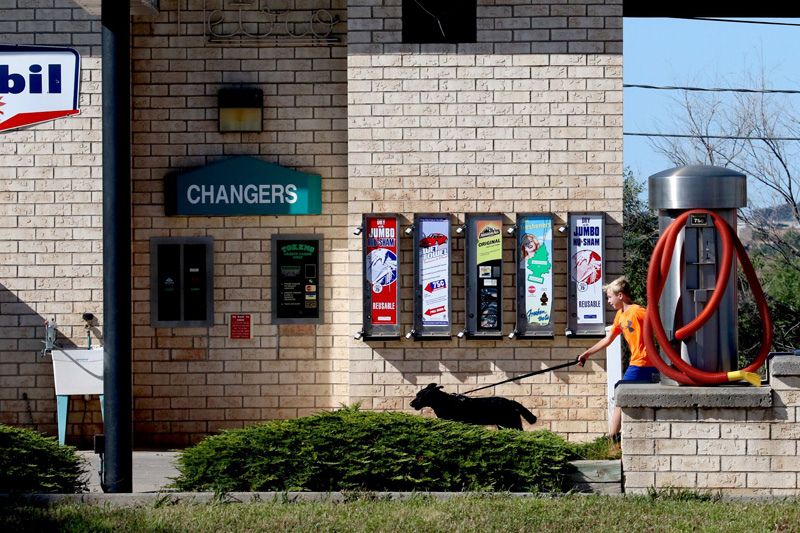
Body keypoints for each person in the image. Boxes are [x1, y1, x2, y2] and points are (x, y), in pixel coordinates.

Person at [576, 277, 657, 440]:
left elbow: (657, 323)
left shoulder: (638, 312)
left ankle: (612, 438)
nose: (608, 301)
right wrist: (587, 354)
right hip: (639, 363)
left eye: (609, 297)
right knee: (631, 396)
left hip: (643, 363)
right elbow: (608, 339)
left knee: (620, 394)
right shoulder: (620, 316)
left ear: (620, 295)